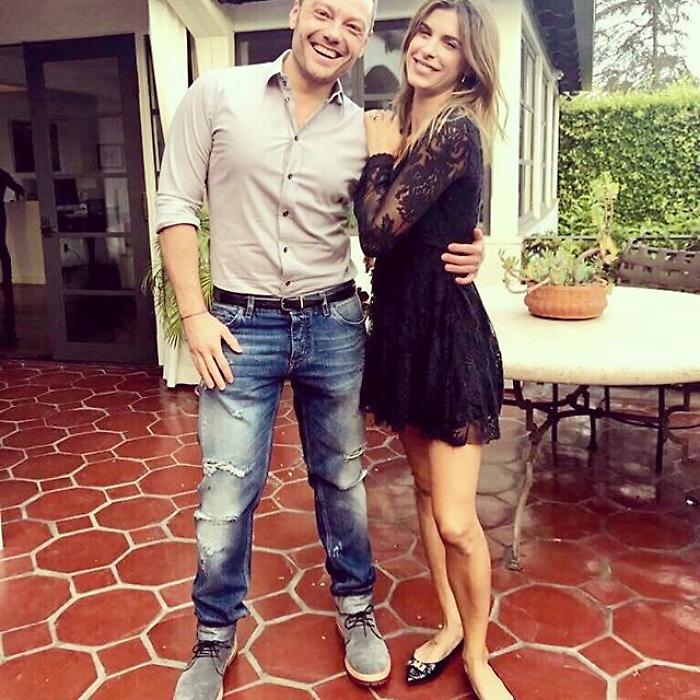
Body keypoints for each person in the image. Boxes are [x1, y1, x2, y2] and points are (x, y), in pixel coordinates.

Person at [156, 1, 485, 697]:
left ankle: (357, 610)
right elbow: (176, 203)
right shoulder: (217, 94)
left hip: (333, 323)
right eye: (324, 13)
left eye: (353, 26)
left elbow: (416, 212)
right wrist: (193, 313)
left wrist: (473, 245)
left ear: (364, 41)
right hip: (239, 327)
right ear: (296, 11)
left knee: (342, 481)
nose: (334, 33)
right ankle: (213, 637)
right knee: (225, 491)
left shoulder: (367, 129)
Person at [354, 1, 512, 699]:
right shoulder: (406, 122)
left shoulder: (450, 128)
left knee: (455, 518)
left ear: (467, 64)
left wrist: (377, 157)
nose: (428, 48)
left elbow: (376, 232)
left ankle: (477, 655)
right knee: (422, 493)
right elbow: (433, 226)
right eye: (423, 32)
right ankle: (449, 623)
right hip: (401, 329)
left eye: (450, 43)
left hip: (446, 335)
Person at [0, 167, 25, 344]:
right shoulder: (2, 174)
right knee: (2, 247)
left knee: (2, 248)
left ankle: (7, 281)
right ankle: (7, 280)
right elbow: (19, 189)